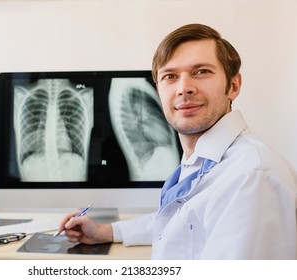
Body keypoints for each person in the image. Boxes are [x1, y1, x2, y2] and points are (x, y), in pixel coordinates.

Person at [56, 23, 297, 259]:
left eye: (201, 72)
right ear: (159, 89)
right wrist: (104, 232)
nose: (184, 88)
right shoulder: (205, 161)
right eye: (170, 76)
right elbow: (181, 221)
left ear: (233, 86)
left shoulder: (251, 177)